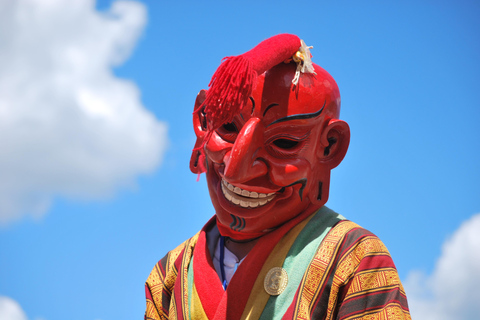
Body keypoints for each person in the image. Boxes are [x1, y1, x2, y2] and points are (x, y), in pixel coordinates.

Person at [145, 34, 410, 320]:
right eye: (228, 128)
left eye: (283, 143)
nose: (237, 169)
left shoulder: (356, 258)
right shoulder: (172, 273)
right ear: (203, 119)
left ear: (330, 146)